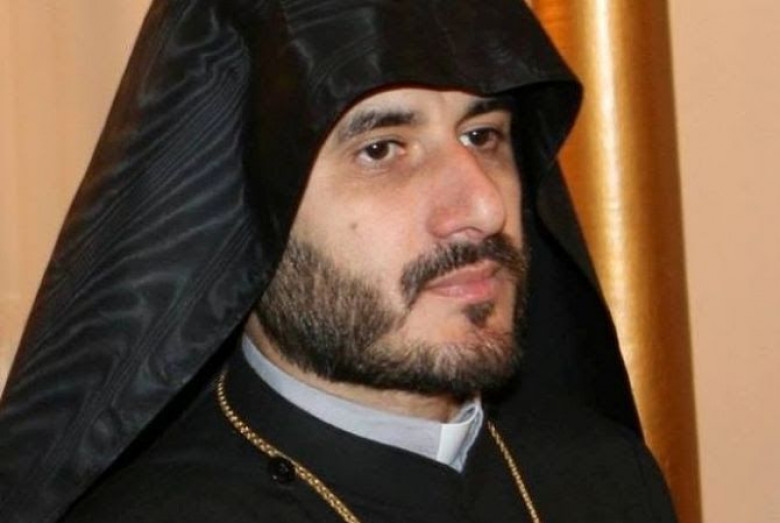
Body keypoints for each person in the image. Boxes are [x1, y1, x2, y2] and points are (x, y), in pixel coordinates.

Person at [0, 1, 678, 522]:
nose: (483, 205)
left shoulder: (607, 480)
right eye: (382, 149)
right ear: (245, 207)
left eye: (482, 135)